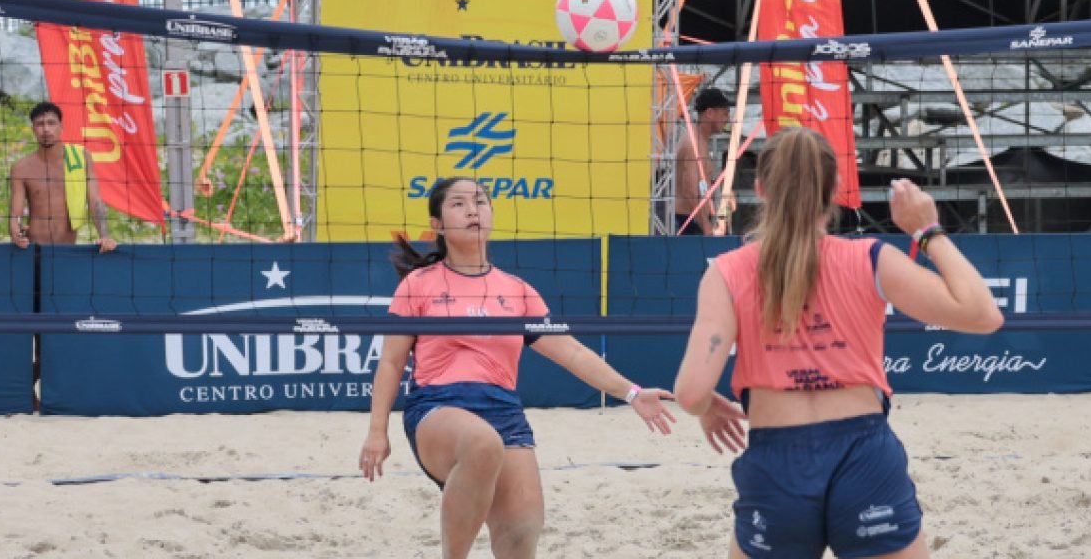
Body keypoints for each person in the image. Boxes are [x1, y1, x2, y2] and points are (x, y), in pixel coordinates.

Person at [673, 127, 1003, 559]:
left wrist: (704, 408)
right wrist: (927, 231)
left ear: (758, 189)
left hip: (777, 460)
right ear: (834, 191)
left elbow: (691, 393)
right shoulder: (869, 259)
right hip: (863, 457)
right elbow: (984, 315)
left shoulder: (727, 272)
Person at [360, 176, 677, 559]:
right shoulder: (418, 285)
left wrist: (631, 392)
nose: (473, 209)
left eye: (480, 201)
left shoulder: (516, 290)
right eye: (458, 203)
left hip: (504, 411)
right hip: (437, 407)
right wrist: (377, 431)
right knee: (481, 443)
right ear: (438, 224)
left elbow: (572, 353)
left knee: (522, 534)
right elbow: (392, 361)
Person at [8, 101, 117, 253]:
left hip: (68, 251)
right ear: (33, 130)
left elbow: (95, 200)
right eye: (40, 124)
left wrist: (105, 235)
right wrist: (15, 230)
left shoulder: (81, 157)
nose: (46, 129)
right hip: (32, 250)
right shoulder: (21, 168)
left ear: (61, 127)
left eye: (51, 123)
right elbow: (15, 213)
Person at [674, 86, 732, 236]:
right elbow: (690, 190)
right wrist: (706, 227)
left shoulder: (701, 140)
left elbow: (700, 187)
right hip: (688, 223)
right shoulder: (693, 143)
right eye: (725, 114)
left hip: (694, 220)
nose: (727, 119)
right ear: (710, 113)